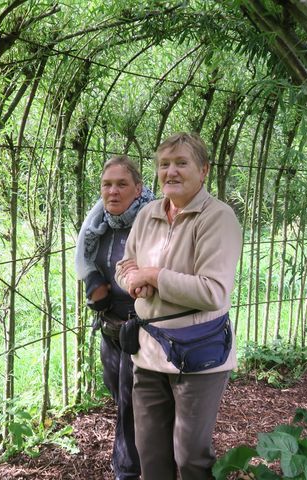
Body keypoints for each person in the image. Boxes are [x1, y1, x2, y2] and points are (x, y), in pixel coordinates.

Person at [116, 132, 242, 480]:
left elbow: (212, 291)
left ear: (204, 170)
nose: (170, 172)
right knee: (151, 455)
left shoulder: (217, 218)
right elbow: (126, 263)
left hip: (199, 355)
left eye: (181, 163)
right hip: (149, 352)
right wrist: (132, 280)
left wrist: (154, 274)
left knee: (190, 458)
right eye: (164, 164)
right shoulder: (148, 214)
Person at [75, 155, 154, 480]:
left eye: (122, 184)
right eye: (107, 184)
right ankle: (155, 454)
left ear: (138, 189)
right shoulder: (100, 226)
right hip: (109, 328)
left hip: (145, 331)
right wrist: (94, 287)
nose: (113, 191)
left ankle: (128, 470)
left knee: (130, 402)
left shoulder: (154, 223)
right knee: (119, 396)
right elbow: (85, 263)